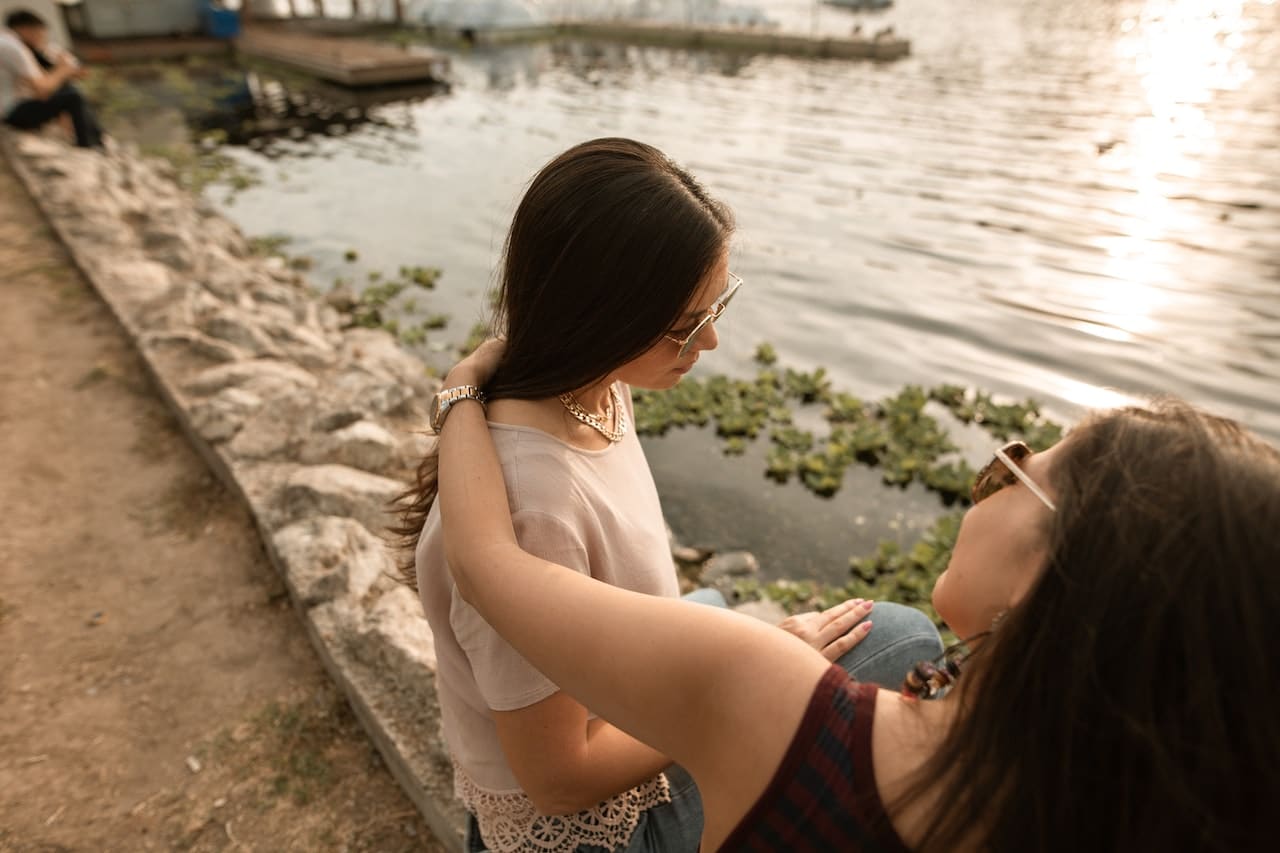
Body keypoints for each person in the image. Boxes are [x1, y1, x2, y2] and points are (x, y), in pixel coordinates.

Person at [435, 340, 1279, 853]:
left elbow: (485, 561)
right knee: (897, 637)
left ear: (1049, 581)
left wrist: (463, 391)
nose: (983, 486)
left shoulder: (766, 697)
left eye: (1014, 465)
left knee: (863, 628)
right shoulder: (1144, 808)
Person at [396, 138, 941, 853]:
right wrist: (760, 672)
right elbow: (560, 780)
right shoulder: (534, 508)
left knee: (715, 610)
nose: (711, 339)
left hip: (616, 694)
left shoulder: (592, 381)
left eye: (718, 302)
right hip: (601, 830)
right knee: (905, 638)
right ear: (603, 318)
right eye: (685, 326)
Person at [2, 9, 102, 149]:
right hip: (11, 112)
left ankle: (93, 139)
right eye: (40, 33)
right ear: (26, 29)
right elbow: (42, 89)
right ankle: (88, 144)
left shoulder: (10, 44)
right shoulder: (13, 47)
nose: (43, 38)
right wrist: (63, 70)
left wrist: (64, 70)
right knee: (72, 96)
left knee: (68, 89)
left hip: (14, 107)